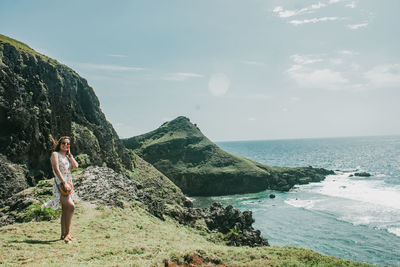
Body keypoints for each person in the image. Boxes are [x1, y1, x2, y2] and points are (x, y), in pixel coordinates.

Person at [41, 136, 79, 243]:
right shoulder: (55, 154)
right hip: (60, 184)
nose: (66, 145)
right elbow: (56, 169)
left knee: (65, 209)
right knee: (71, 206)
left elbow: (75, 166)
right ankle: (68, 234)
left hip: (68, 183)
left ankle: (64, 234)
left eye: (68, 144)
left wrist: (70, 155)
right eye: (64, 143)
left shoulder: (67, 157)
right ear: (59, 144)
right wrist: (63, 182)